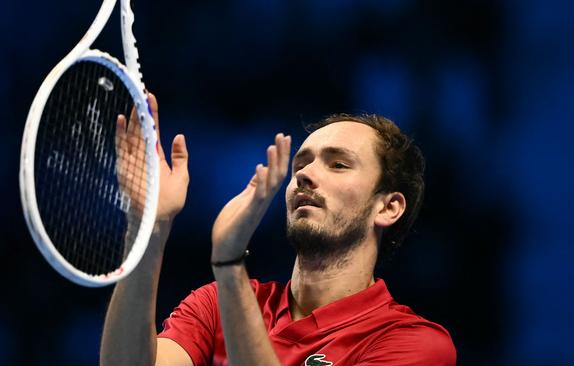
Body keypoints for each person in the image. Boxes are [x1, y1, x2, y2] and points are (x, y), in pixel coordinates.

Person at [100, 93, 456, 366]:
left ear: (387, 206)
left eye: (338, 164)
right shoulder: (213, 305)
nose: (304, 174)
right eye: (301, 163)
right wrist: (148, 225)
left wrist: (229, 266)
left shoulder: (413, 344)